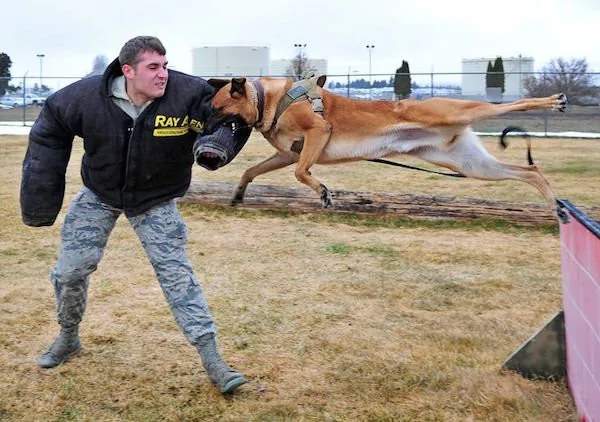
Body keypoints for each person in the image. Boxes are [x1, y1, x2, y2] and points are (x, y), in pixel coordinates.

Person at [20, 36, 251, 394]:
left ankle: (213, 360)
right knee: (69, 272)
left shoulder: (190, 93)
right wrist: (39, 199)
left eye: (165, 65)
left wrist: (218, 142)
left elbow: (231, 115)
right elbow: (49, 131)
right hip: (100, 194)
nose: (163, 75)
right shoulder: (84, 98)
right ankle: (68, 337)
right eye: (153, 67)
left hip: (155, 198)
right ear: (127, 70)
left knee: (177, 277)